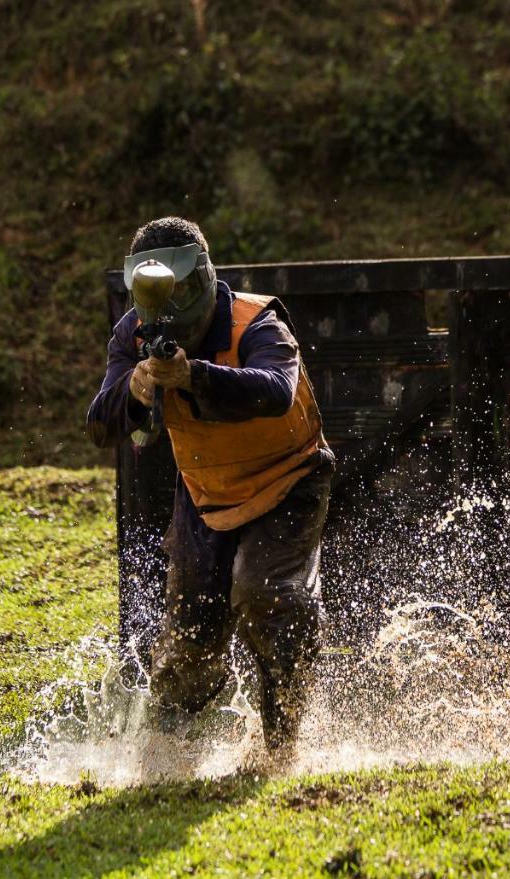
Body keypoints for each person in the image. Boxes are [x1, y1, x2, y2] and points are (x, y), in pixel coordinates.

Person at [86, 216, 333, 756]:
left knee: (268, 595)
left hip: (288, 481)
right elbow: (99, 425)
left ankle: (281, 750)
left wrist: (193, 376)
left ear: (201, 284)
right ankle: (167, 756)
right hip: (207, 494)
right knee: (189, 646)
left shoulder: (256, 322)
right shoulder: (133, 335)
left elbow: (275, 391)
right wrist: (133, 387)